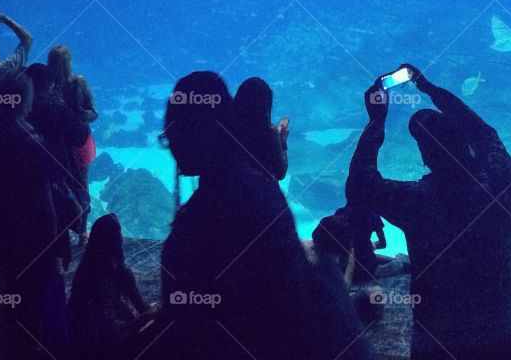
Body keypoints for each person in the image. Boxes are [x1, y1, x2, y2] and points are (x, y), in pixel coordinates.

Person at [154, 71, 371, 360]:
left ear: (203, 129)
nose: (174, 146)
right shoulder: (250, 187)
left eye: (175, 133)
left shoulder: (227, 199)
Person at [345, 64, 511, 360]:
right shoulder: (501, 181)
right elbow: (484, 132)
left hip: (437, 341)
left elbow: (359, 185)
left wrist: (376, 121)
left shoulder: (417, 201)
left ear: (425, 156)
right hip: (502, 334)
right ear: (465, 145)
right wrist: (430, 89)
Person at [0, 71, 68, 355]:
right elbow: (44, 200)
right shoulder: (31, 141)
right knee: (46, 303)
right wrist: (56, 242)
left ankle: (19, 348)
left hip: (3, 233)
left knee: (13, 302)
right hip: (34, 235)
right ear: (24, 99)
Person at [68, 213, 153, 360]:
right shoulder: (107, 273)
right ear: (117, 241)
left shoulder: (90, 265)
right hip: (98, 342)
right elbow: (110, 330)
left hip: (84, 336)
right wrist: (149, 317)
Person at [25, 62, 87, 264]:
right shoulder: (56, 109)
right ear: (49, 84)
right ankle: (58, 266)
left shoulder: (19, 111)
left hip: (24, 179)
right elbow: (80, 136)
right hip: (56, 176)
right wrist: (64, 106)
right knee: (56, 225)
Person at [48, 44, 98, 244]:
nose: (58, 66)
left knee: (80, 184)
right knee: (58, 184)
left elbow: (93, 113)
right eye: (55, 62)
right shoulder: (48, 84)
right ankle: (63, 229)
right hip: (56, 142)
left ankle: (83, 229)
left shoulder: (78, 83)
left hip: (78, 141)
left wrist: (80, 113)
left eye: (61, 62)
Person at [232, 76, 289, 181]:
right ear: (266, 106)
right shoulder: (269, 133)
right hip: (261, 194)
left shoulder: (227, 128)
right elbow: (280, 173)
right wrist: (282, 141)